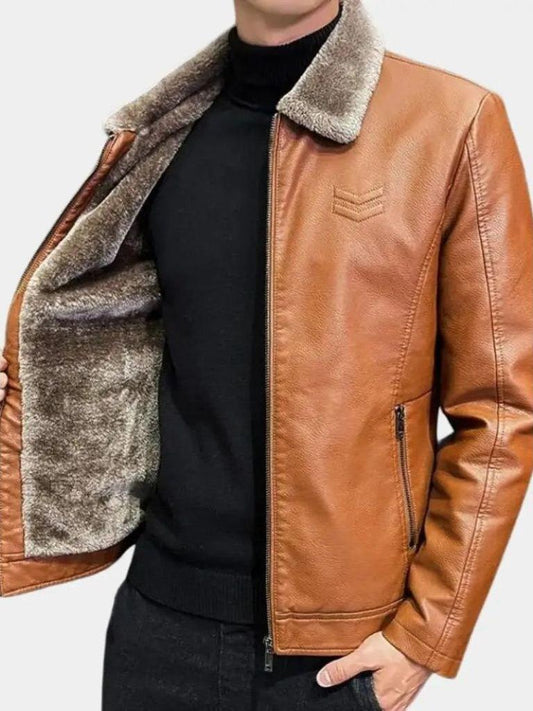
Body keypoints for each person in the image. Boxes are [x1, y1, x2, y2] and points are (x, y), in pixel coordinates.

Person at [1, 0, 531, 709]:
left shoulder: (450, 122)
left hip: (337, 652)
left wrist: (424, 633)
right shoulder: (163, 133)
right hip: (156, 624)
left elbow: (501, 407)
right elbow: (106, 344)